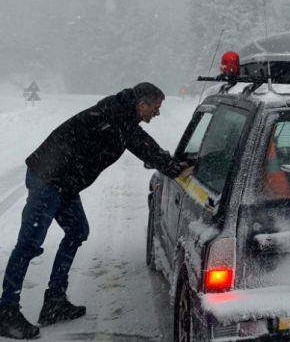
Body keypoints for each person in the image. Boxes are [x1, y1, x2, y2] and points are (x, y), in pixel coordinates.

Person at [0, 83, 192, 339]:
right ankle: (7, 311)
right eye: (155, 108)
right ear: (141, 104)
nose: (156, 113)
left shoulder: (122, 116)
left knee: (77, 230)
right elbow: (142, 145)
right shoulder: (116, 116)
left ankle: (54, 300)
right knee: (29, 243)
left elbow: (143, 146)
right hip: (47, 177)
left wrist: (166, 161)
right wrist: (172, 166)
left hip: (63, 183)